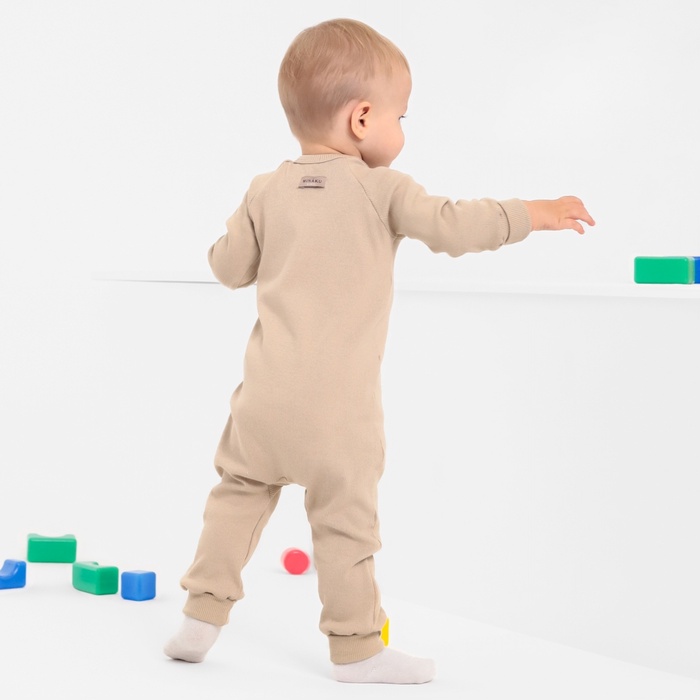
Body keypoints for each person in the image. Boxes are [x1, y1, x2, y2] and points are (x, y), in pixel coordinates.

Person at [163, 18, 595, 684]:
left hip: (262, 405)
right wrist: (533, 213)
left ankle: (200, 617)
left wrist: (244, 221)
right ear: (362, 119)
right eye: (402, 115)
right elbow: (453, 227)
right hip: (338, 417)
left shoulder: (265, 189)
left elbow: (228, 267)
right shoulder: (383, 188)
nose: (402, 130)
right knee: (345, 526)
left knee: (237, 499)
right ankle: (357, 649)